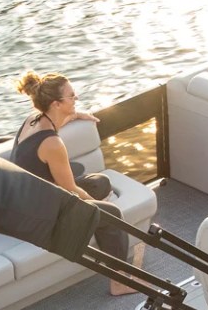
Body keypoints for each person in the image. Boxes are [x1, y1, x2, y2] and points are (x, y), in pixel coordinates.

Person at [12, 71, 142, 295]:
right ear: (56, 103)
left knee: (100, 183)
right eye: (72, 96)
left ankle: (103, 237)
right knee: (110, 215)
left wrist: (76, 114)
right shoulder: (52, 143)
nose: (76, 98)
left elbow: (58, 122)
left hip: (33, 197)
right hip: (39, 214)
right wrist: (95, 208)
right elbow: (70, 189)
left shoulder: (34, 120)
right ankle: (119, 283)